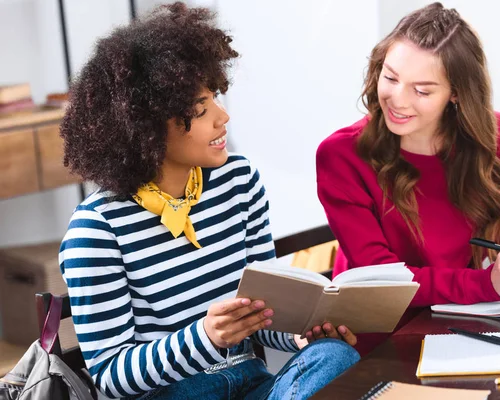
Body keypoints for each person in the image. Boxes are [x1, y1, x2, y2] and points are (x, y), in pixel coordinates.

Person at [59, 3, 359, 399]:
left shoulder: (238, 180)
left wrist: (301, 332)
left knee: (334, 355)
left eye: (215, 96)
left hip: (252, 384)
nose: (222, 117)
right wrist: (204, 336)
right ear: (146, 126)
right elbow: (110, 375)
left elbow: (265, 314)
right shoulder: (96, 230)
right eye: (200, 110)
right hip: (175, 394)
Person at [316, 2, 500, 355]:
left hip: (458, 322)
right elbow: (381, 278)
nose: (397, 100)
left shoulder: (495, 137)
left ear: (456, 94)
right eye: (390, 77)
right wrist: (486, 283)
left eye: (422, 90)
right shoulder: (341, 155)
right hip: (377, 337)